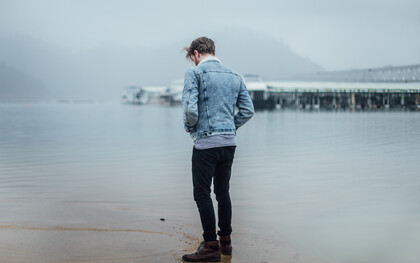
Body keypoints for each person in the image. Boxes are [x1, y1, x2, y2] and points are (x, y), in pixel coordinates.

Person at [181, 37, 254, 262]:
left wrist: (191, 128)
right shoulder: (234, 75)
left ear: (195, 54)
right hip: (229, 143)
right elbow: (248, 110)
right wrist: (230, 126)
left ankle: (210, 246)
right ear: (212, 51)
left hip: (206, 143)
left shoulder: (194, 74)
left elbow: (191, 110)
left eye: (191, 58)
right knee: (223, 192)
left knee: (202, 193)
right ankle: (226, 244)